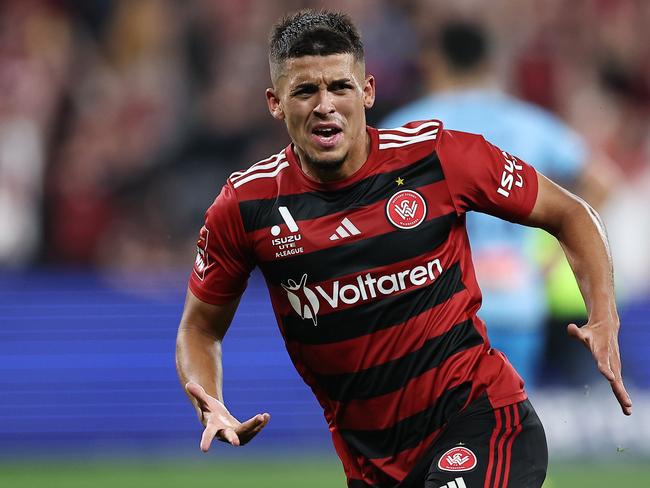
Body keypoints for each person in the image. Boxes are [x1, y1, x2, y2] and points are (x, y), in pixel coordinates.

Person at [175, 10, 632, 488]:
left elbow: (572, 212)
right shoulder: (245, 206)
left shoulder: (436, 155)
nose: (325, 105)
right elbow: (199, 327)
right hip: (373, 465)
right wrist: (210, 399)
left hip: (482, 421)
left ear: (367, 91)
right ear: (275, 102)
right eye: (305, 91)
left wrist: (604, 315)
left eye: (340, 87)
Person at [380, 20, 613, 389]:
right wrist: (552, 253)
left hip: (442, 305)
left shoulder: (407, 126)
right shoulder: (528, 122)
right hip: (517, 297)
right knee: (511, 425)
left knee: (448, 431)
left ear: (433, 62)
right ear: (487, 62)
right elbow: (602, 181)